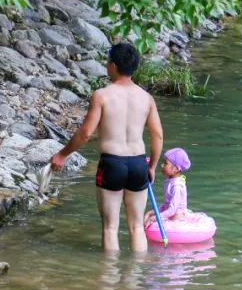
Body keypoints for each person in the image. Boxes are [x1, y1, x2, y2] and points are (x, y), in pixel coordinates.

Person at [50, 42, 163, 252]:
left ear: (112, 65)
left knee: (110, 228)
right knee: (137, 227)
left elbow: (85, 133)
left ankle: (108, 281)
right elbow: (157, 135)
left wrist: (62, 154)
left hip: (112, 164)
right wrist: (152, 166)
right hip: (138, 163)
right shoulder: (146, 98)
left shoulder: (102, 95)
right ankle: (134, 283)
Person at [145, 147, 191, 226]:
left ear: (176, 169)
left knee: (151, 219)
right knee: (148, 215)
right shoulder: (170, 182)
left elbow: (172, 210)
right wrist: (153, 212)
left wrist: (154, 218)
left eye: (166, 163)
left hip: (177, 222)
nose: (162, 165)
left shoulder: (177, 186)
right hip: (170, 218)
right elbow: (166, 205)